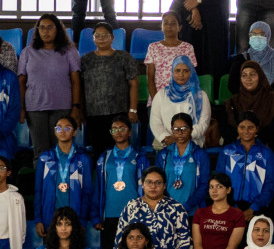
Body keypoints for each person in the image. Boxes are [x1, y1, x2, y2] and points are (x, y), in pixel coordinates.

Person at [116, 168, 193, 249]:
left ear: (164, 186)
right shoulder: (131, 206)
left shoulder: (176, 208)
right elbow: (120, 237)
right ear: (143, 184)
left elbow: (185, 240)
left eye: (158, 183)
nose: (153, 186)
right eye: (149, 182)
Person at [19, 16, 81, 156]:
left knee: (61, 150)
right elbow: (21, 82)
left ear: (57, 30)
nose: (45, 31)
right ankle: (41, 178)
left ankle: (62, 179)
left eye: (50, 27)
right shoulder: (27, 52)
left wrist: (76, 107)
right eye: (42, 27)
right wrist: (22, 108)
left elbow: (76, 81)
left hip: (62, 108)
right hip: (35, 109)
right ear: (37, 30)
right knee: (40, 152)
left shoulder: (69, 52)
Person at [78, 24, 138, 154]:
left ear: (112, 37)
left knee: (120, 148)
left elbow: (133, 84)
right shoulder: (86, 60)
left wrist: (133, 109)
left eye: (104, 35)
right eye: (97, 36)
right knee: (98, 151)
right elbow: (81, 88)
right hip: (93, 114)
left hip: (119, 112)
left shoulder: (124, 57)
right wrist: (80, 111)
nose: (101, 38)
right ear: (93, 39)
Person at [174, 0, 233, 82]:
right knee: (191, 62)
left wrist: (198, 1)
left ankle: (211, 97)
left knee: (213, 63)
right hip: (194, 23)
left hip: (212, 26)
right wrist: (194, 8)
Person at [33, 115, 94, 241]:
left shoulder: (83, 159)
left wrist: (82, 221)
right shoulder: (45, 158)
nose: (62, 131)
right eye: (58, 128)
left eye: (67, 128)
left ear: (74, 132)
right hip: (50, 219)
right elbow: (38, 191)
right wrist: (38, 219)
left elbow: (87, 193)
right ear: (55, 131)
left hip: (74, 220)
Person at [217, 114, 274, 217]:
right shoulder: (227, 151)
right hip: (229, 206)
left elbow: (270, 183)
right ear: (237, 129)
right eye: (242, 127)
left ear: (257, 129)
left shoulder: (266, 153)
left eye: (250, 128)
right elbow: (219, 180)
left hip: (257, 208)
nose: (246, 131)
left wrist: (254, 208)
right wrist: (232, 205)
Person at [148, 56, 211, 151]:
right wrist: (165, 137)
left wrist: (180, 137)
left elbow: (203, 124)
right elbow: (155, 121)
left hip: (193, 141)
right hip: (166, 142)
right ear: (172, 72)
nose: (181, 74)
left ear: (191, 73)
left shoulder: (201, 96)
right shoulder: (161, 95)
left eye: (186, 71)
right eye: (177, 70)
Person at [224, 58, 274, 152]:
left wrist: (253, 138)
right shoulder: (233, 101)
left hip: (266, 148)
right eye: (244, 75)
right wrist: (243, 137)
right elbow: (226, 128)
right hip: (238, 148)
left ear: (260, 76)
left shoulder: (273, 99)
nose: (248, 79)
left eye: (252, 75)